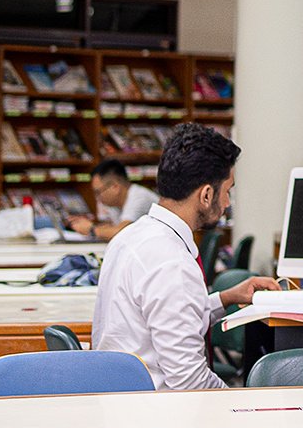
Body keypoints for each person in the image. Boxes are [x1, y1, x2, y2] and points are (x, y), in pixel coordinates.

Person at [91, 123, 275, 390]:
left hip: (122, 398)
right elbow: (190, 381)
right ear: (207, 195)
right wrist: (241, 402)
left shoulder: (131, 237)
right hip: (159, 410)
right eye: (227, 191)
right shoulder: (172, 262)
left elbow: (166, 316)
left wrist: (226, 298)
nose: (227, 203)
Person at [66, 159, 156, 241]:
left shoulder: (139, 197)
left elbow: (121, 233)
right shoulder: (114, 203)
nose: (97, 197)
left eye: (98, 192)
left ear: (115, 187)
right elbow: (111, 228)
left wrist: (91, 229)